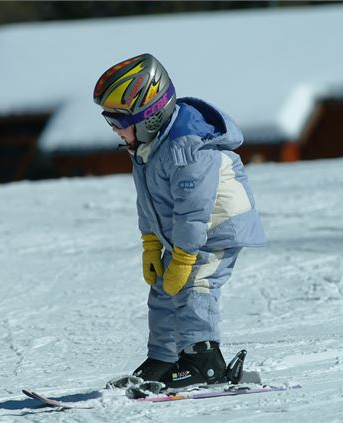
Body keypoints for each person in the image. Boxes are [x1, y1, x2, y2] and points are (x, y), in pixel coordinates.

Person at [93, 53, 266, 388]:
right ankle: (165, 357)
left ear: (148, 117)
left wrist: (185, 256)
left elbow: (193, 210)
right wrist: (151, 243)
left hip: (217, 228)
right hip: (184, 233)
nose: (115, 132)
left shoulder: (186, 147)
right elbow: (148, 202)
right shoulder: (146, 148)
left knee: (194, 285)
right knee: (162, 289)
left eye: (117, 123)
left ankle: (203, 361)